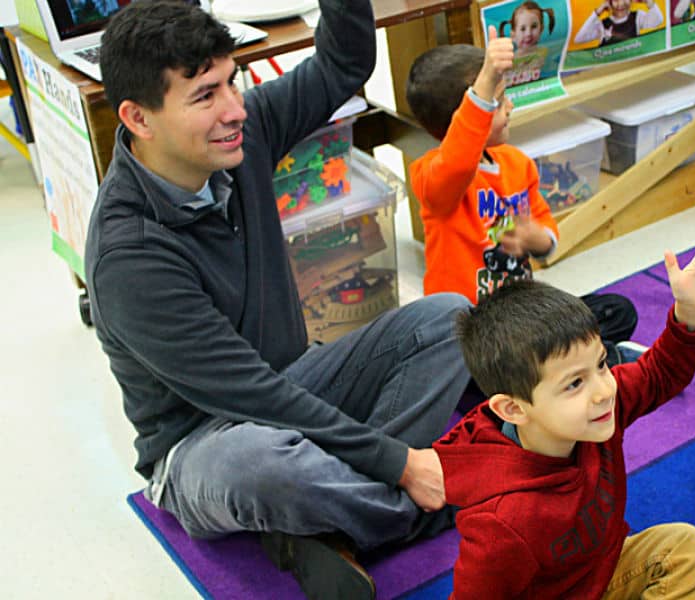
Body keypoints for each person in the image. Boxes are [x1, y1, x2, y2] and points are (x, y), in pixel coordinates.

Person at [84, 2, 470, 598]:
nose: (234, 109)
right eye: (206, 95)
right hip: (202, 442)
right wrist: (398, 460)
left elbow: (343, 63)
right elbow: (251, 395)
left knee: (448, 318)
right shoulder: (127, 257)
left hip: (295, 376)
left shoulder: (241, 136)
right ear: (138, 117)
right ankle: (439, 495)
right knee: (265, 466)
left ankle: (327, 524)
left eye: (232, 81)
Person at [435, 244, 695, 598]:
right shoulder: (503, 524)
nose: (603, 390)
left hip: (601, 573)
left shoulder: (594, 414)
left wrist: (690, 311)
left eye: (600, 364)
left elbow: (660, 374)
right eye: (574, 383)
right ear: (514, 409)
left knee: (684, 548)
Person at [405, 27, 642, 365]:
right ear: (467, 119)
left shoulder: (517, 164)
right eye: (499, 102)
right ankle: (584, 361)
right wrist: (485, 83)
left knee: (616, 311)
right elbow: (458, 160)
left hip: (522, 316)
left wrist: (540, 239)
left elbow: (546, 229)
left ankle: (570, 362)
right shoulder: (433, 177)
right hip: (471, 331)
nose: (510, 105)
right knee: (468, 371)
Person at [573, 0, 664, 47]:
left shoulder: (637, 16)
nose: (621, 4)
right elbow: (579, 39)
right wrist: (596, 13)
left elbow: (658, 20)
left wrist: (648, 1)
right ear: (609, 2)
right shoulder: (602, 25)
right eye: (616, 0)